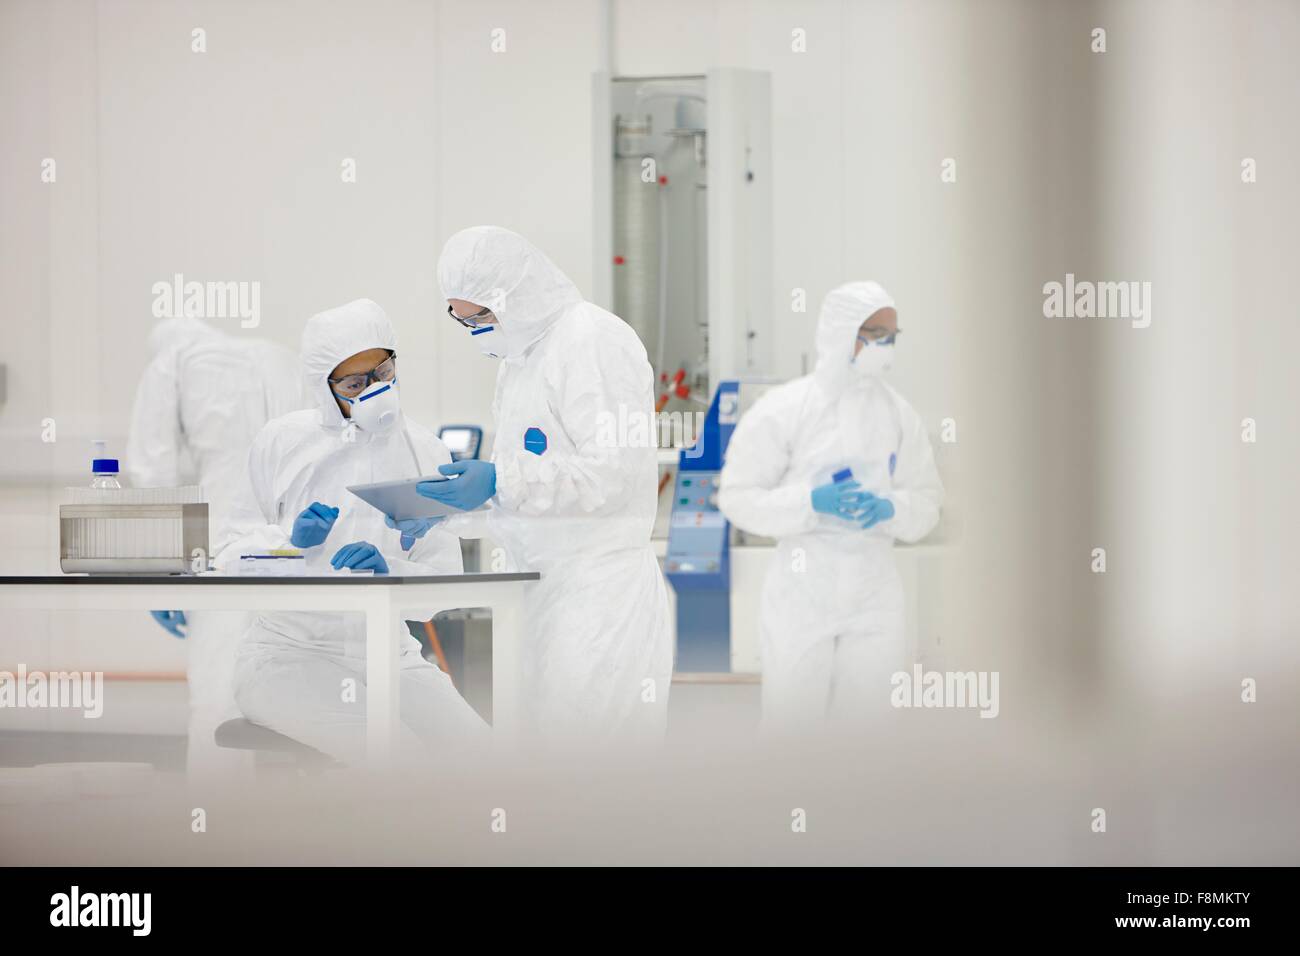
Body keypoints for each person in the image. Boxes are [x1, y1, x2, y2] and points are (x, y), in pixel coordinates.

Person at [428, 226, 673, 745]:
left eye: (481, 317)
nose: (474, 331)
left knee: (592, 782)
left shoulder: (591, 340)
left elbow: (611, 475)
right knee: (547, 777)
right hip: (543, 595)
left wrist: (499, 480)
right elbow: (530, 493)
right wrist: (444, 510)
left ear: (513, 294)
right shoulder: (520, 359)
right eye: (462, 319)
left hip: (600, 600)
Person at [215, 299, 488, 764]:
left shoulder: (424, 448)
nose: (375, 391)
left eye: (382, 374)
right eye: (356, 384)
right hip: (286, 655)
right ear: (325, 388)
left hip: (389, 655)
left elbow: (440, 588)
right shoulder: (282, 443)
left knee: (485, 758)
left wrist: (391, 574)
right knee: (394, 752)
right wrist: (291, 547)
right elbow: (224, 560)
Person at [716, 281, 944, 730]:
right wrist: (810, 503)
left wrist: (890, 508)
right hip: (802, 593)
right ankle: (792, 803)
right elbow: (737, 497)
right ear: (844, 333)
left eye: (893, 336)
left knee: (869, 731)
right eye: (878, 333)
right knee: (793, 727)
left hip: (875, 593)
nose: (888, 345)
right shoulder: (784, 408)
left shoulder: (898, 413)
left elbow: (928, 499)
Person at [126, 316, 304, 776]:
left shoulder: (173, 360)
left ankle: (218, 825)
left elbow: (153, 472)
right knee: (305, 685)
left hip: (223, 542)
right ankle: (307, 824)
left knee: (217, 692)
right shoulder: (277, 355)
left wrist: (160, 573)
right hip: (300, 539)